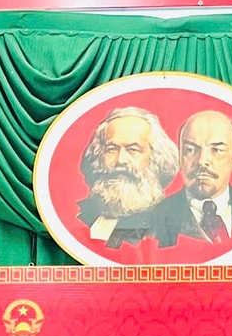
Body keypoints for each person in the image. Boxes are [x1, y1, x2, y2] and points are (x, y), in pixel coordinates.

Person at [143, 110, 232, 252]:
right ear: (179, 158)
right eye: (190, 150)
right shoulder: (152, 219)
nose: (202, 161)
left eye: (216, 150)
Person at [74, 105, 181, 247]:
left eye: (133, 150)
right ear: (99, 155)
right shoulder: (82, 216)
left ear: (155, 158)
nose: (121, 160)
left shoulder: (170, 226)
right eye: (112, 149)